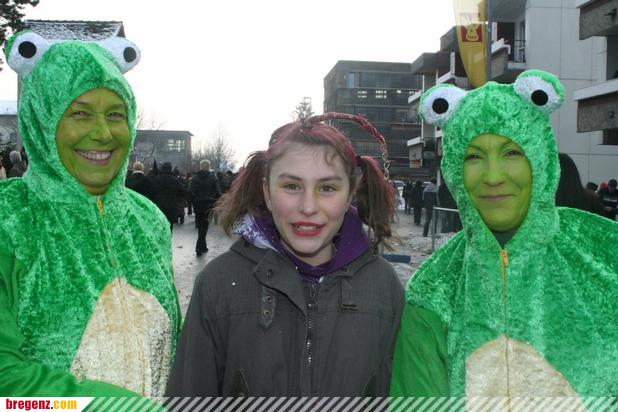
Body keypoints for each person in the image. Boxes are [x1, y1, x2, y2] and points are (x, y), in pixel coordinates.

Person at [390, 70, 618, 397]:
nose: (493, 176)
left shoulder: (605, 253)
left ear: (539, 160)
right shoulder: (433, 288)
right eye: (474, 156)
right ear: (454, 170)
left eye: (511, 153)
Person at [166, 113, 404, 396]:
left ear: (350, 194)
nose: (308, 207)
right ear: (267, 192)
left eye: (327, 188)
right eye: (292, 186)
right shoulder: (218, 284)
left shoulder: (383, 286)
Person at [0, 32, 180, 396]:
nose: (103, 133)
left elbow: (174, 342)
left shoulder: (148, 219)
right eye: (80, 113)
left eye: (115, 115)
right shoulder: (9, 219)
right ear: (42, 120)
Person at [188, 159, 221, 256]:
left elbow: (190, 191)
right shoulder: (213, 178)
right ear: (209, 166)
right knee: (204, 226)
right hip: (208, 205)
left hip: (198, 205)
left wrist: (194, 200)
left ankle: (202, 246)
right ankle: (199, 247)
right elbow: (217, 192)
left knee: (200, 226)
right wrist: (214, 201)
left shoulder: (195, 178)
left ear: (200, 166)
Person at [150, 162, 187, 231]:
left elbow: (150, 191)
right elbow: (183, 192)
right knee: (169, 227)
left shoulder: (155, 179)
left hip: (158, 206)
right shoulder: (175, 180)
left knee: (159, 226)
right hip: (171, 206)